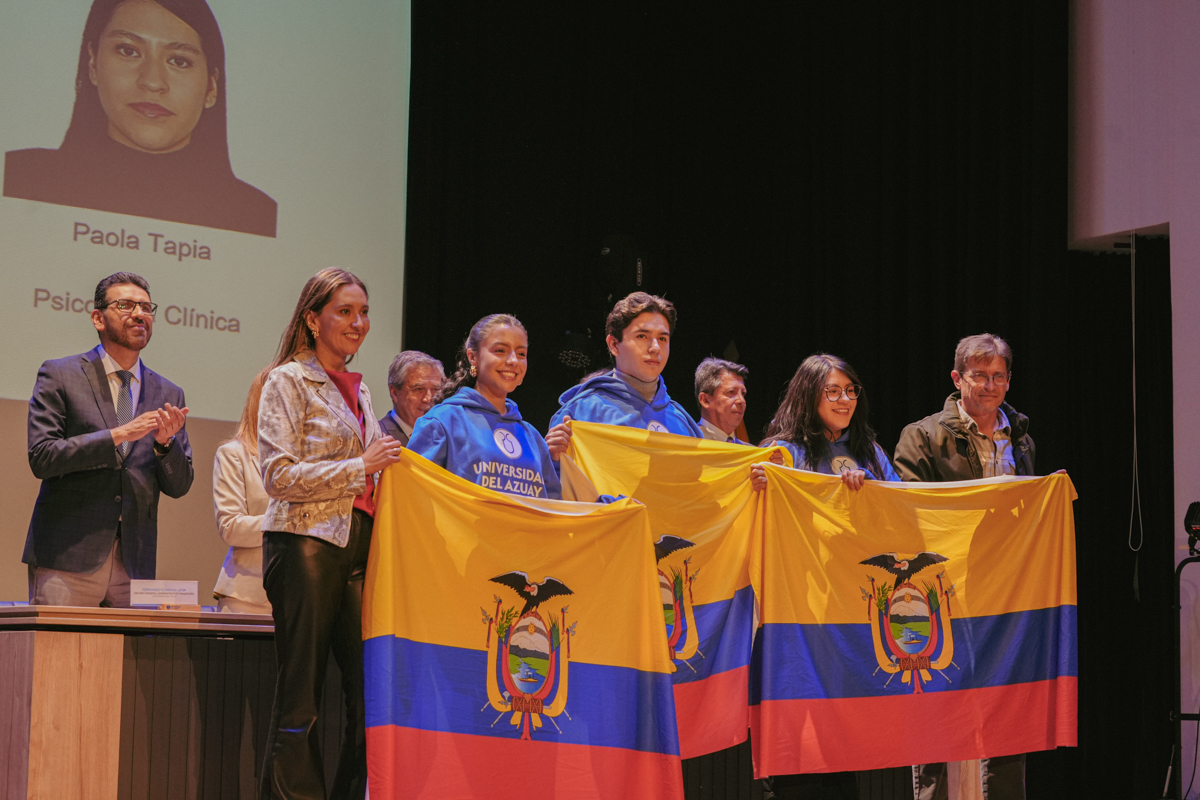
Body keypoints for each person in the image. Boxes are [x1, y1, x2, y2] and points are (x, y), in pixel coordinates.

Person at [256, 267, 400, 799]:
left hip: (361, 549)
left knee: (369, 698)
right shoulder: (288, 380)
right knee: (301, 699)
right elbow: (277, 476)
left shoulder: (361, 391)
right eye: (345, 311)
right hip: (306, 545)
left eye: (364, 313)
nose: (358, 322)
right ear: (313, 319)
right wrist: (361, 466)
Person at [894, 333, 1035, 800]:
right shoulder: (922, 435)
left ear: (1008, 380)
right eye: (979, 375)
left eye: (998, 376)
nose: (990, 385)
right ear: (957, 378)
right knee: (936, 706)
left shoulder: (1021, 438)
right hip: (944, 590)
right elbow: (908, 511)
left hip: (1007, 591)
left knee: (1007, 707)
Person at [3, 0, 277, 237]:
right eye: (128, 51)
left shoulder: (257, 213)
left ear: (211, 87)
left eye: (179, 61)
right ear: (93, 64)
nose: (152, 81)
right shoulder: (17, 176)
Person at [25, 271, 193, 607]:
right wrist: (119, 434)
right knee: (58, 644)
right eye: (126, 305)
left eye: (146, 308)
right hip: (68, 555)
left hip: (135, 560)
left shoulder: (168, 392)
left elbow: (180, 485)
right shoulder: (61, 374)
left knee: (132, 646)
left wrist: (165, 446)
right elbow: (42, 457)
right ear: (98, 318)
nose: (139, 314)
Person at [408, 314, 570, 500]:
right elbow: (413, 495)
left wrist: (555, 461)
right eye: (500, 350)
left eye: (521, 354)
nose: (513, 361)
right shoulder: (442, 421)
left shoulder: (532, 437)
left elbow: (552, 506)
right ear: (473, 357)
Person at [550, 292, 702, 436]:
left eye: (662, 339)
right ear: (614, 344)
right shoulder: (579, 413)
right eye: (642, 336)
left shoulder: (685, 425)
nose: (655, 347)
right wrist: (555, 454)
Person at [759, 353, 900, 488]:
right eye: (833, 391)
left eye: (850, 390)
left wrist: (871, 485)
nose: (846, 399)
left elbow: (901, 499)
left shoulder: (871, 452)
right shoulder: (782, 452)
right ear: (808, 397)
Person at [210, 366, 271, 615]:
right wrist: (286, 522)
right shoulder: (233, 454)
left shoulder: (312, 460)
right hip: (248, 598)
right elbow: (231, 527)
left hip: (304, 593)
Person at [379, 350, 445, 446]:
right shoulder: (376, 436)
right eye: (419, 389)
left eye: (436, 389)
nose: (428, 398)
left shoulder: (444, 437)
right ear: (394, 393)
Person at [694, 357, 749, 443]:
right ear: (705, 400)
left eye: (743, 393)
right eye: (731, 392)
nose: (742, 400)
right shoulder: (685, 444)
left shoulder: (750, 450)